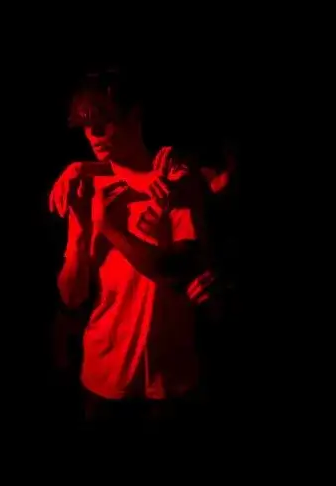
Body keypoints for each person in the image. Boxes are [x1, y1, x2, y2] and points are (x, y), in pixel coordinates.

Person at [50, 69, 219, 433]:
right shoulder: (86, 186)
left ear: (135, 115)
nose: (92, 134)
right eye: (85, 125)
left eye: (103, 121)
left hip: (168, 381)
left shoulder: (173, 178)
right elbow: (72, 296)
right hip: (104, 379)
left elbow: (180, 269)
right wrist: (79, 233)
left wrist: (110, 228)